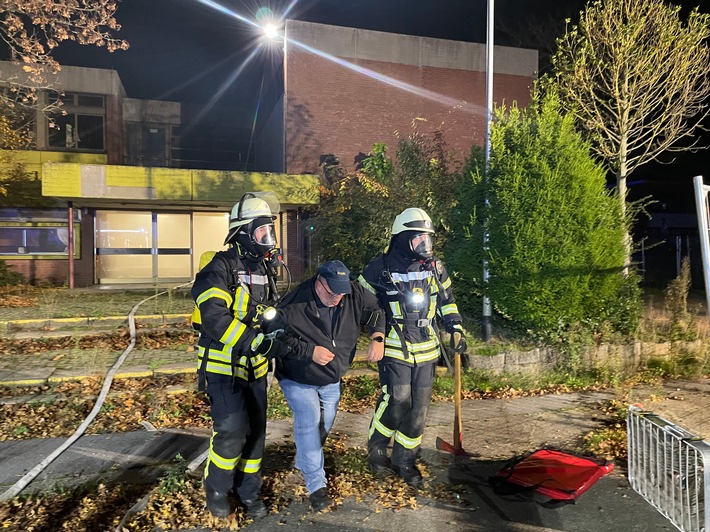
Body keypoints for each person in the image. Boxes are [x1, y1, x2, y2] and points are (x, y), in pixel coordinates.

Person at [192, 193, 291, 519]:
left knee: (258, 432)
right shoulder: (218, 269)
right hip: (223, 368)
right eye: (262, 232)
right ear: (244, 232)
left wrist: (279, 333)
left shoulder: (265, 269)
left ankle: (248, 491)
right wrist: (254, 341)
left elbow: (267, 312)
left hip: (255, 369)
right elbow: (214, 318)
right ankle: (218, 489)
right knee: (233, 430)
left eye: (270, 232)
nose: (269, 239)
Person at [358, 207, 467, 487]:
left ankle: (405, 461)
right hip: (395, 346)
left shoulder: (435, 267)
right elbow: (363, 305)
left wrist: (455, 328)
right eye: (418, 239)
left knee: (418, 410)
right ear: (402, 239)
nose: (425, 246)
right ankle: (377, 451)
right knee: (397, 402)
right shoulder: (378, 268)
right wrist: (377, 334)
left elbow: (447, 301)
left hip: (428, 348)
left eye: (427, 239)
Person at [273, 260, 385, 511]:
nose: (337, 298)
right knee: (310, 420)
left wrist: (378, 336)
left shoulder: (352, 292)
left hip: (331, 378)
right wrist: (308, 351)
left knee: (324, 423)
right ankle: (316, 486)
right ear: (319, 282)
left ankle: (304, 461)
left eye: (341, 292)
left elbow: (377, 308)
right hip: (297, 376)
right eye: (332, 292)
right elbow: (275, 337)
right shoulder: (294, 303)